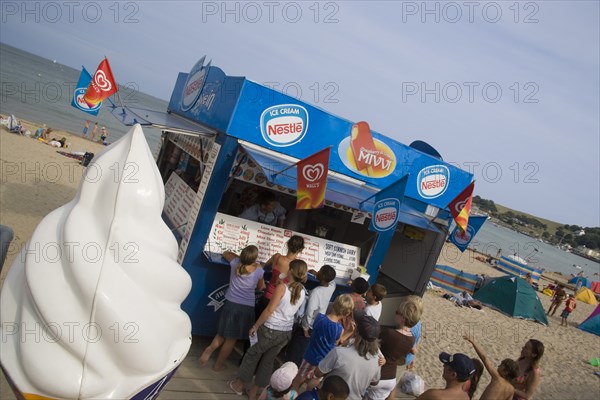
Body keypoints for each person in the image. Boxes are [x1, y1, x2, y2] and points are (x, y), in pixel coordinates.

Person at [230, 260, 308, 400]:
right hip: (285, 332)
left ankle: (239, 385)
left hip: (270, 328)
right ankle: (254, 391)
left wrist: (256, 325)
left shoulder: (282, 288)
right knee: (268, 361)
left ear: (290, 270)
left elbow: (270, 309)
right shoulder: (301, 290)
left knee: (252, 355)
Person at [199, 246, 265, 371]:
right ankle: (218, 365)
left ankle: (210, 349)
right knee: (231, 339)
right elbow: (261, 287)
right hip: (246, 308)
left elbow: (225, 253)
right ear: (254, 258)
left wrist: (239, 258)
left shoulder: (235, 263)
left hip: (231, 304)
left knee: (221, 334)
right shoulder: (259, 270)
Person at [292, 294, 354, 392]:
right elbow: (338, 343)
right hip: (323, 360)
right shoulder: (339, 329)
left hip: (310, 355)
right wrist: (349, 332)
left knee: (299, 378)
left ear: (334, 304)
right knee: (314, 380)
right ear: (346, 314)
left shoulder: (319, 317)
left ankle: (292, 396)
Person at [314, 313, 381, 400]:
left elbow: (318, 372)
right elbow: (375, 382)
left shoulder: (339, 353)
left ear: (356, 332)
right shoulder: (377, 359)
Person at [365, 295, 421, 400]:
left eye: (397, 312)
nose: (394, 314)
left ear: (403, 318)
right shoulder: (412, 339)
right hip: (391, 377)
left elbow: (372, 344)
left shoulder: (389, 333)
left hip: (378, 375)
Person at [286, 265, 337, 366]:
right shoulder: (331, 287)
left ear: (322, 276)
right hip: (318, 322)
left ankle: (290, 366)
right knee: (304, 348)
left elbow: (309, 312)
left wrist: (305, 328)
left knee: (296, 348)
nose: (317, 271)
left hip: (308, 325)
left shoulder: (316, 292)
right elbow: (332, 280)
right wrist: (316, 273)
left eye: (320, 271)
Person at [257, 235, 305, 319]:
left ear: (287, 244)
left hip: (267, 297)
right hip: (281, 301)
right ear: (301, 249)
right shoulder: (299, 266)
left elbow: (263, 266)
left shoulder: (277, 257)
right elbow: (304, 279)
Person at [463, 335, 519, 400]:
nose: (498, 366)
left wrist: (473, 342)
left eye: (501, 365)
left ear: (506, 372)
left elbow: (484, 358)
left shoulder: (497, 378)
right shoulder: (511, 389)